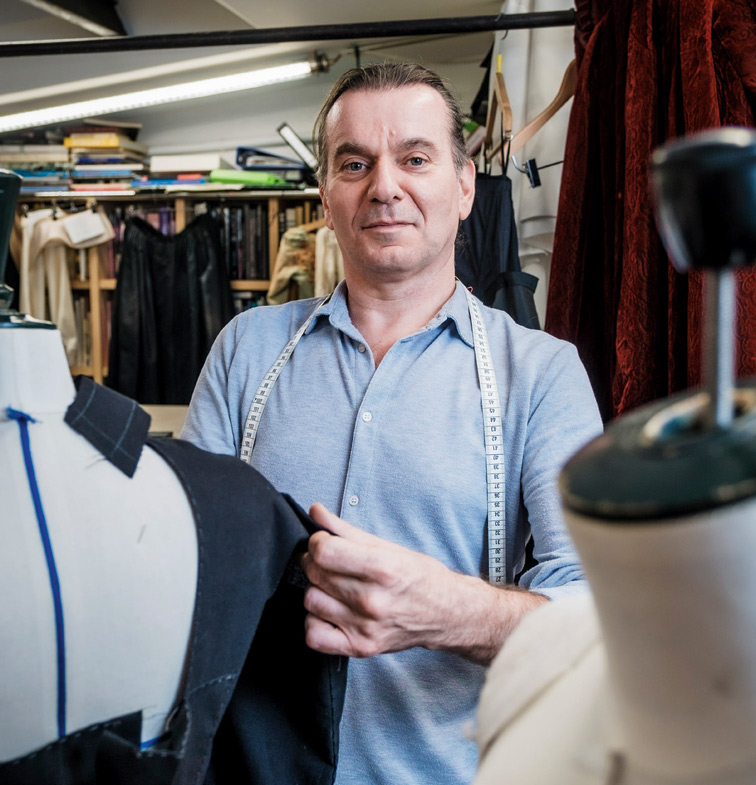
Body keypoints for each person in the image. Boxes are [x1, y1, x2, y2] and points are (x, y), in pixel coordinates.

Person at [181, 61, 603, 785]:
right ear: (325, 194)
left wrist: (446, 610)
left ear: (465, 187)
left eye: (415, 158)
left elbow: (599, 624)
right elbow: (182, 562)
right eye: (355, 163)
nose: (384, 186)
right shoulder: (246, 351)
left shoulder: (541, 373)